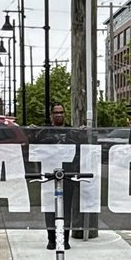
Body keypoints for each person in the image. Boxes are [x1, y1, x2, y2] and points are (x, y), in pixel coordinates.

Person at [30, 102, 82, 250]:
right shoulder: (45, 132)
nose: (59, 115)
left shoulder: (72, 131)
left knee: (66, 209)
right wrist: (32, 133)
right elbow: (34, 147)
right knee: (49, 207)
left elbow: (80, 149)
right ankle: (51, 238)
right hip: (49, 174)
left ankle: (64, 239)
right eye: (56, 112)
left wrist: (83, 134)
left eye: (61, 112)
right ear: (51, 115)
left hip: (67, 175)